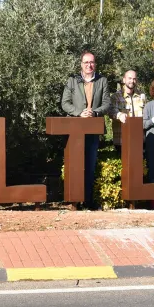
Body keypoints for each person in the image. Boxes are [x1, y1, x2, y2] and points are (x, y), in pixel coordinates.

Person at [61, 51, 111, 209]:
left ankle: (88, 200)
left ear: (95, 64)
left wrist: (95, 112)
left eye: (92, 62)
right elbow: (65, 103)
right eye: (86, 62)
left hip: (93, 128)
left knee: (90, 165)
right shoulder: (72, 81)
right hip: (75, 128)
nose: (89, 65)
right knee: (75, 165)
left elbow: (107, 103)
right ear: (81, 64)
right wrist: (78, 113)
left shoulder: (102, 81)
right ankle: (74, 201)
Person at [109, 69, 146, 154]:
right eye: (129, 78)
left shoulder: (142, 96)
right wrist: (119, 115)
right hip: (121, 140)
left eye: (134, 79)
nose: (132, 81)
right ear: (124, 79)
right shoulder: (116, 97)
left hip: (139, 139)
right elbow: (111, 111)